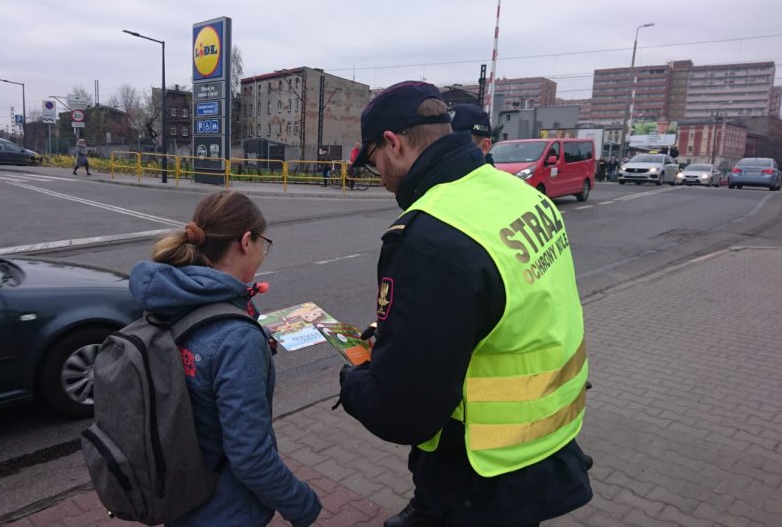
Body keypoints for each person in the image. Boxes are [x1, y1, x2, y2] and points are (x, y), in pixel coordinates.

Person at [339, 81, 593, 527]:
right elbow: (512, 308)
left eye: (374, 159)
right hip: (545, 443)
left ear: (393, 145)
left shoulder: (429, 237)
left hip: (479, 473)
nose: (377, 174)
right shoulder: (519, 194)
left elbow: (403, 413)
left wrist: (354, 378)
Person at [128, 191, 321, 527]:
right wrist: (303, 505)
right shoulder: (237, 338)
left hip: (181, 492)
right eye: (264, 243)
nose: (263, 252)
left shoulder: (172, 294)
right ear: (246, 241)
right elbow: (251, 457)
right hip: (227, 510)